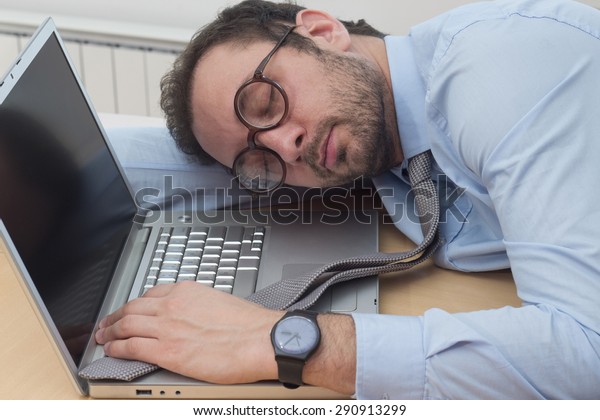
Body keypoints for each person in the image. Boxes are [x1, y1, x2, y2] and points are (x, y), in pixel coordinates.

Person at [94, 0, 600, 398]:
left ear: (320, 31)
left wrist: (279, 341)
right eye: (259, 160)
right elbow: (173, 163)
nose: (284, 146)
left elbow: (587, 356)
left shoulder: (494, 71)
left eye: (266, 102)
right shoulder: (372, 137)